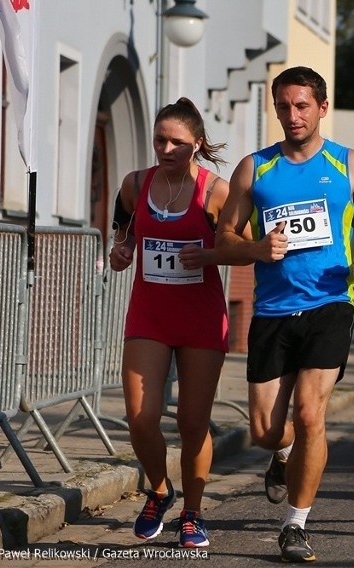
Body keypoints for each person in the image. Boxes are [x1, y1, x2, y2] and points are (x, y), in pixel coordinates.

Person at [214, 66, 354, 563]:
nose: (292, 116)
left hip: (330, 303)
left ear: (321, 108)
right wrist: (255, 247)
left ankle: (295, 524)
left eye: (301, 106)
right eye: (283, 107)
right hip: (272, 311)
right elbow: (224, 238)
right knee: (265, 431)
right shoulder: (255, 168)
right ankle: (282, 453)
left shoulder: (348, 164)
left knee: (311, 414)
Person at [109, 97, 240, 547]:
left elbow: (239, 248)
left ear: (197, 144)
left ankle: (193, 512)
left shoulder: (215, 192)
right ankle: (160, 490)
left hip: (201, 319)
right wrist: (120, 251)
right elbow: (121, 228)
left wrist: (207, 254)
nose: (166, 149)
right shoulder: (135, 184)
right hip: (149, 315)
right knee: (140, 418)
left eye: (178, 142)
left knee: (192, 422)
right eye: (160, 139)